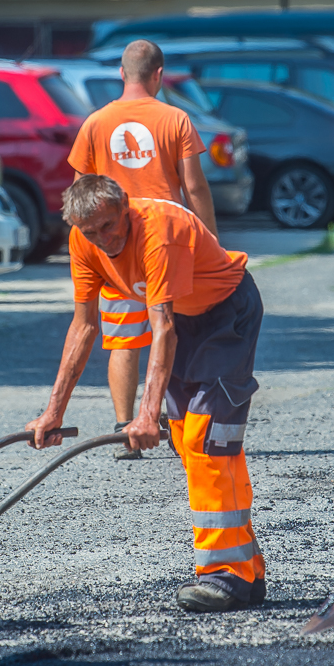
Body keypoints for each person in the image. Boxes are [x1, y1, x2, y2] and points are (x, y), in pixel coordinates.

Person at [27, 175, 265, 612]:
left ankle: (224, 576)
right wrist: (52, 413)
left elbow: (163, 329)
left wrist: (144, 414)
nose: (105, 239)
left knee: (207, 441)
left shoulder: (158, 231)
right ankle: (246, 571)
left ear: (125, 210)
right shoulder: (86, 244)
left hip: (226, 315)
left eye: (109, 225)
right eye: (91, 232)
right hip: (184, 323)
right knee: (192, 444)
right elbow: (83, 327)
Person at [68, 39, 216, 461]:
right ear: (159, 75)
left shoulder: (95, 123)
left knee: (121, 339)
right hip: (167, 245)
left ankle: (124, 428)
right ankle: (173, 422)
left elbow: (81, 191)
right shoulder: (175, 118)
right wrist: (210, 239)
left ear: (121, 74)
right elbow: (195, 186)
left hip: (114, 249)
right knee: (173, 332)